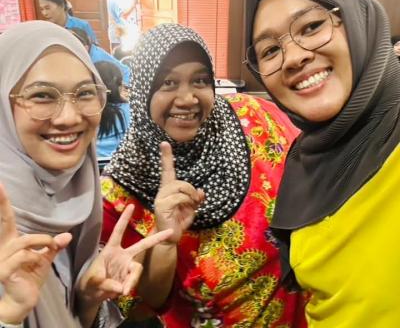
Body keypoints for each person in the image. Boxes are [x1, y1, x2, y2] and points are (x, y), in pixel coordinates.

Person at [100, 23, 307, 327]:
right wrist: (165, 240)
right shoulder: (121, 190)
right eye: (168, 83)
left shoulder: (254, 117)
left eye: (200, 80)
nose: (187, 98)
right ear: (143, 90)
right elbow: (146, 306)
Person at [244, 0, 400, 327]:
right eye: (270, 50)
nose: (294, 57)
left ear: (358, 20)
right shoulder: (305, 159)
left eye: (311, 27)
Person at [0, 20, 172, 328]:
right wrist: (9, 314)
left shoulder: (73, 195)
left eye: (84, 93)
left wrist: (88, 297)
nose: (69, 117)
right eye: (42, 95)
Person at [94, 61, 130, 159]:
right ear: (119, 86)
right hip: (121, 163)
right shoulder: (130, 110)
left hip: (92, 164)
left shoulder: (88, 111)